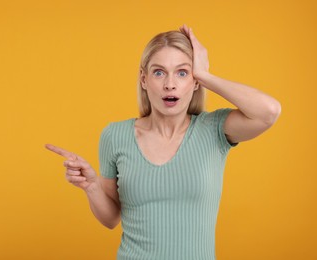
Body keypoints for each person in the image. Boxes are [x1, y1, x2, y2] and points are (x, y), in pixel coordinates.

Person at [45, 24, 281, 260]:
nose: (170, 84)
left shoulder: (213, 129)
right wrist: (92, 186)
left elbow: (268, 111)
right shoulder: (115, 135)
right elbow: (110, 219)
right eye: (159, 72)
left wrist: (205, 75)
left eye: (182, 72)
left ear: (195, 81)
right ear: (144, 79)